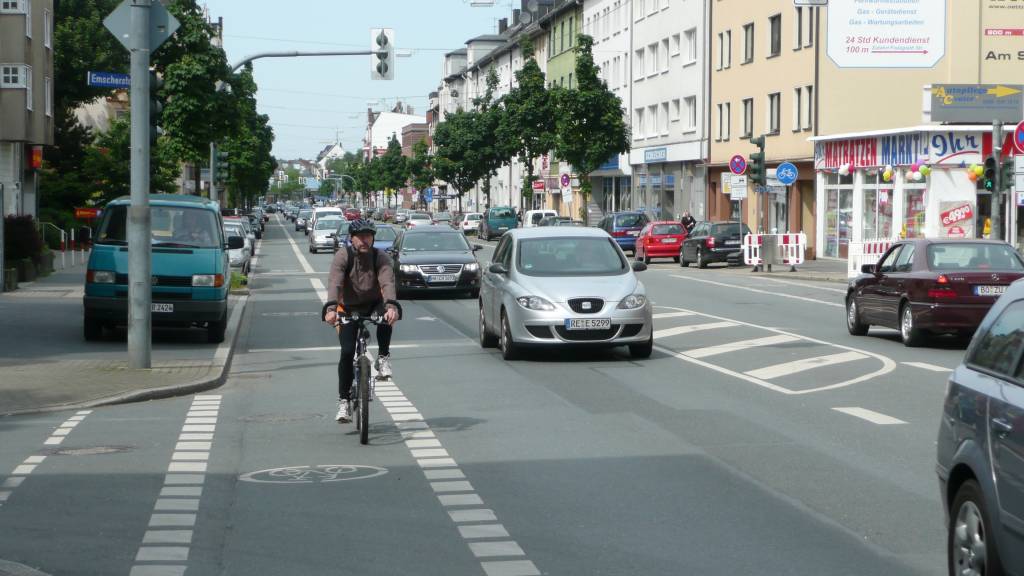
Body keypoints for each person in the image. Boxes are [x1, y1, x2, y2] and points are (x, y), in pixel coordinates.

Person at [322, 219, 401, 423]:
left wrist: (391, 305)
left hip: (373, 304)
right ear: (351, 238)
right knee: (347, 352)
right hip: (346, 306)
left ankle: (383, 357)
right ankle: (344, 402)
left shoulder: (380, 257)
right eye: (360, 236)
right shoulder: (343, 255)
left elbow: (387, 282)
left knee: (387, 316)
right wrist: (331, 309)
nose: (365, 240)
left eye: (369, 236)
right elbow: (335, 283)